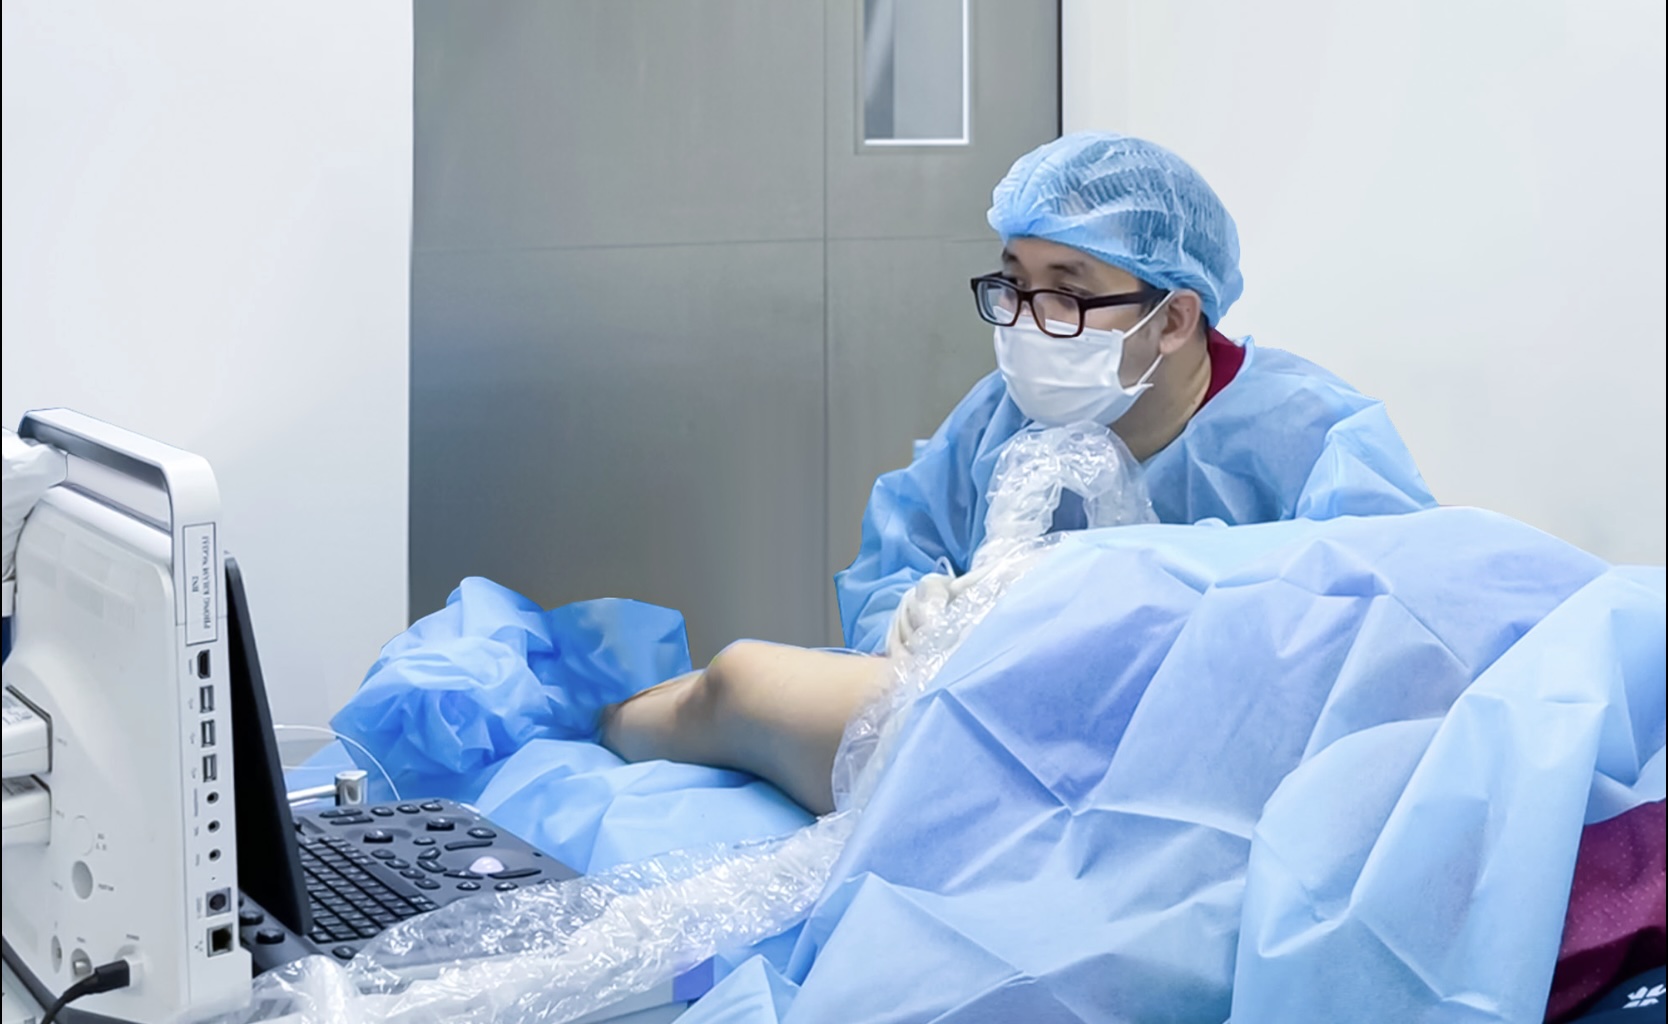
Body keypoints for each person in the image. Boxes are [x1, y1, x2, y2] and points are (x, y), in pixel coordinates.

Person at [601, 131, 1436, 815]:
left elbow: (1388, 640)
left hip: (1183, 765)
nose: (1029, 324)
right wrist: (911, 614)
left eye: (1066, 294)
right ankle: (594, 729)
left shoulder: (1313, 438)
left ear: (1175, 317)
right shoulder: (1002, 417)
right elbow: (903, 547)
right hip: (998, 715)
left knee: (743, 686)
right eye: (1012, 285)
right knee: (739, 683)